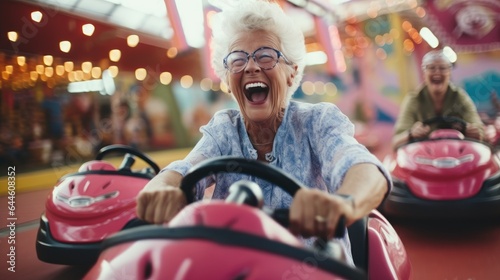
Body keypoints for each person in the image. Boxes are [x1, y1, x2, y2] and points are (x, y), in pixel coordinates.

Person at [136, 0, 391, 266]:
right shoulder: (224, 130)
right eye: (238, 60)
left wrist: (343, 204)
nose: (251, 67)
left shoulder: (317, 122)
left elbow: (361, 166)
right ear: (227, 78)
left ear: (291, 73)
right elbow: (184, 170)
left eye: (266, 56)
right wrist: (163, 188)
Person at [391, 50, 484, 149]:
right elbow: (396, 141)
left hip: (457, 156)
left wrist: (474, 132)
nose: (437, 72)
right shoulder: (413, 100)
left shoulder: (460, 97)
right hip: (422, 158)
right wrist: (411, 134)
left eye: (442, 68)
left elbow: (481, 133)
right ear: (424, 73)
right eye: (431, 68)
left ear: (449, 72)